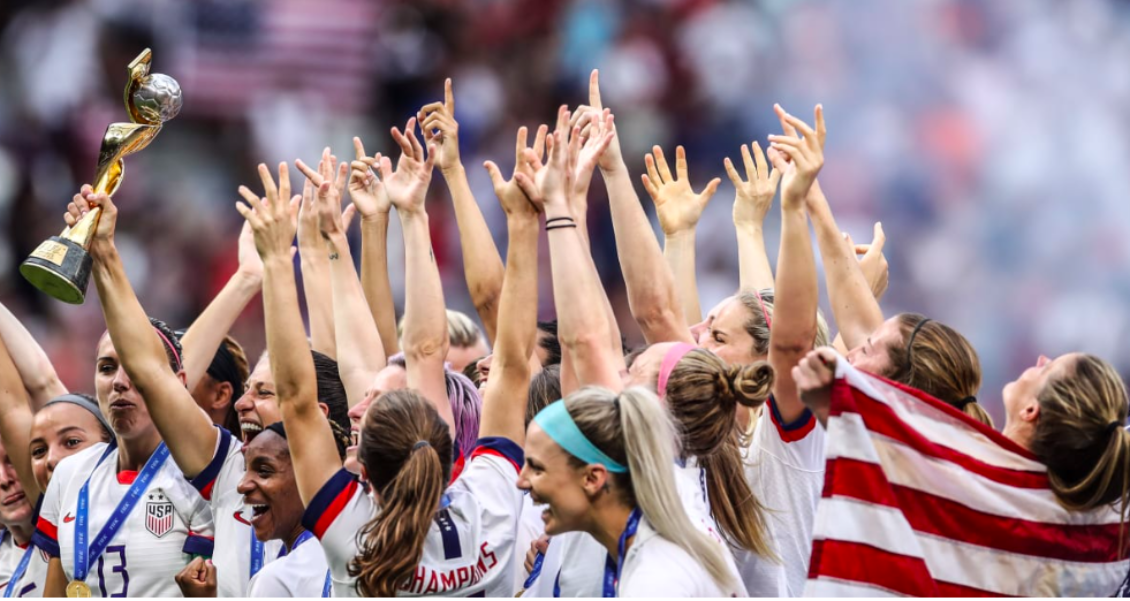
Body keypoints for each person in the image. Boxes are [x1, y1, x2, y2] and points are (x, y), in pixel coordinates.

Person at [243, 113, 530, 596]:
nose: (356, 405)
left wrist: (277, 261)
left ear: (366, 474)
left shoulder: (354, 536)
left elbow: (296, 396)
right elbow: (503, 363)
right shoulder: (493, 505)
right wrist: (414, 215)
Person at [175, 422, 334, 597]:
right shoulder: (348, 550)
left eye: (264, 471)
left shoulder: (276, 580)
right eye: (246, 470)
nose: (242, 485)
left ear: (306, 477)